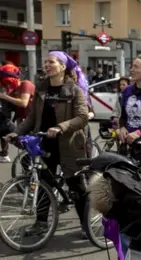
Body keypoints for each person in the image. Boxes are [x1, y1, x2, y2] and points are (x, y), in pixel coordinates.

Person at [4, 51, 90, 236]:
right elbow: (32, 117)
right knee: (43, 183)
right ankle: (41, 223)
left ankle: (86, 224)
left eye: (51, 62)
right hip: (45, 143)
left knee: (76, 185)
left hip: (69, 144)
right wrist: (16, 133)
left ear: (62, 67)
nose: (47, 65)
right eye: (46, 62)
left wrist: (61, 127)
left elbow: (82, 117)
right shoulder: (42, 89)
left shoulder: (74, 90)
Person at [0, 63, 35, 162]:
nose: (8, 86)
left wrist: (5, 97)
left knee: (33, 149)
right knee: (26, 154)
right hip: (24, 122)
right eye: (6, 84)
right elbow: (18, 111)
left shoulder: (26, 84)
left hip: (35, 121)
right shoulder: (12, 90)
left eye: (9, 83)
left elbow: (24, 103)